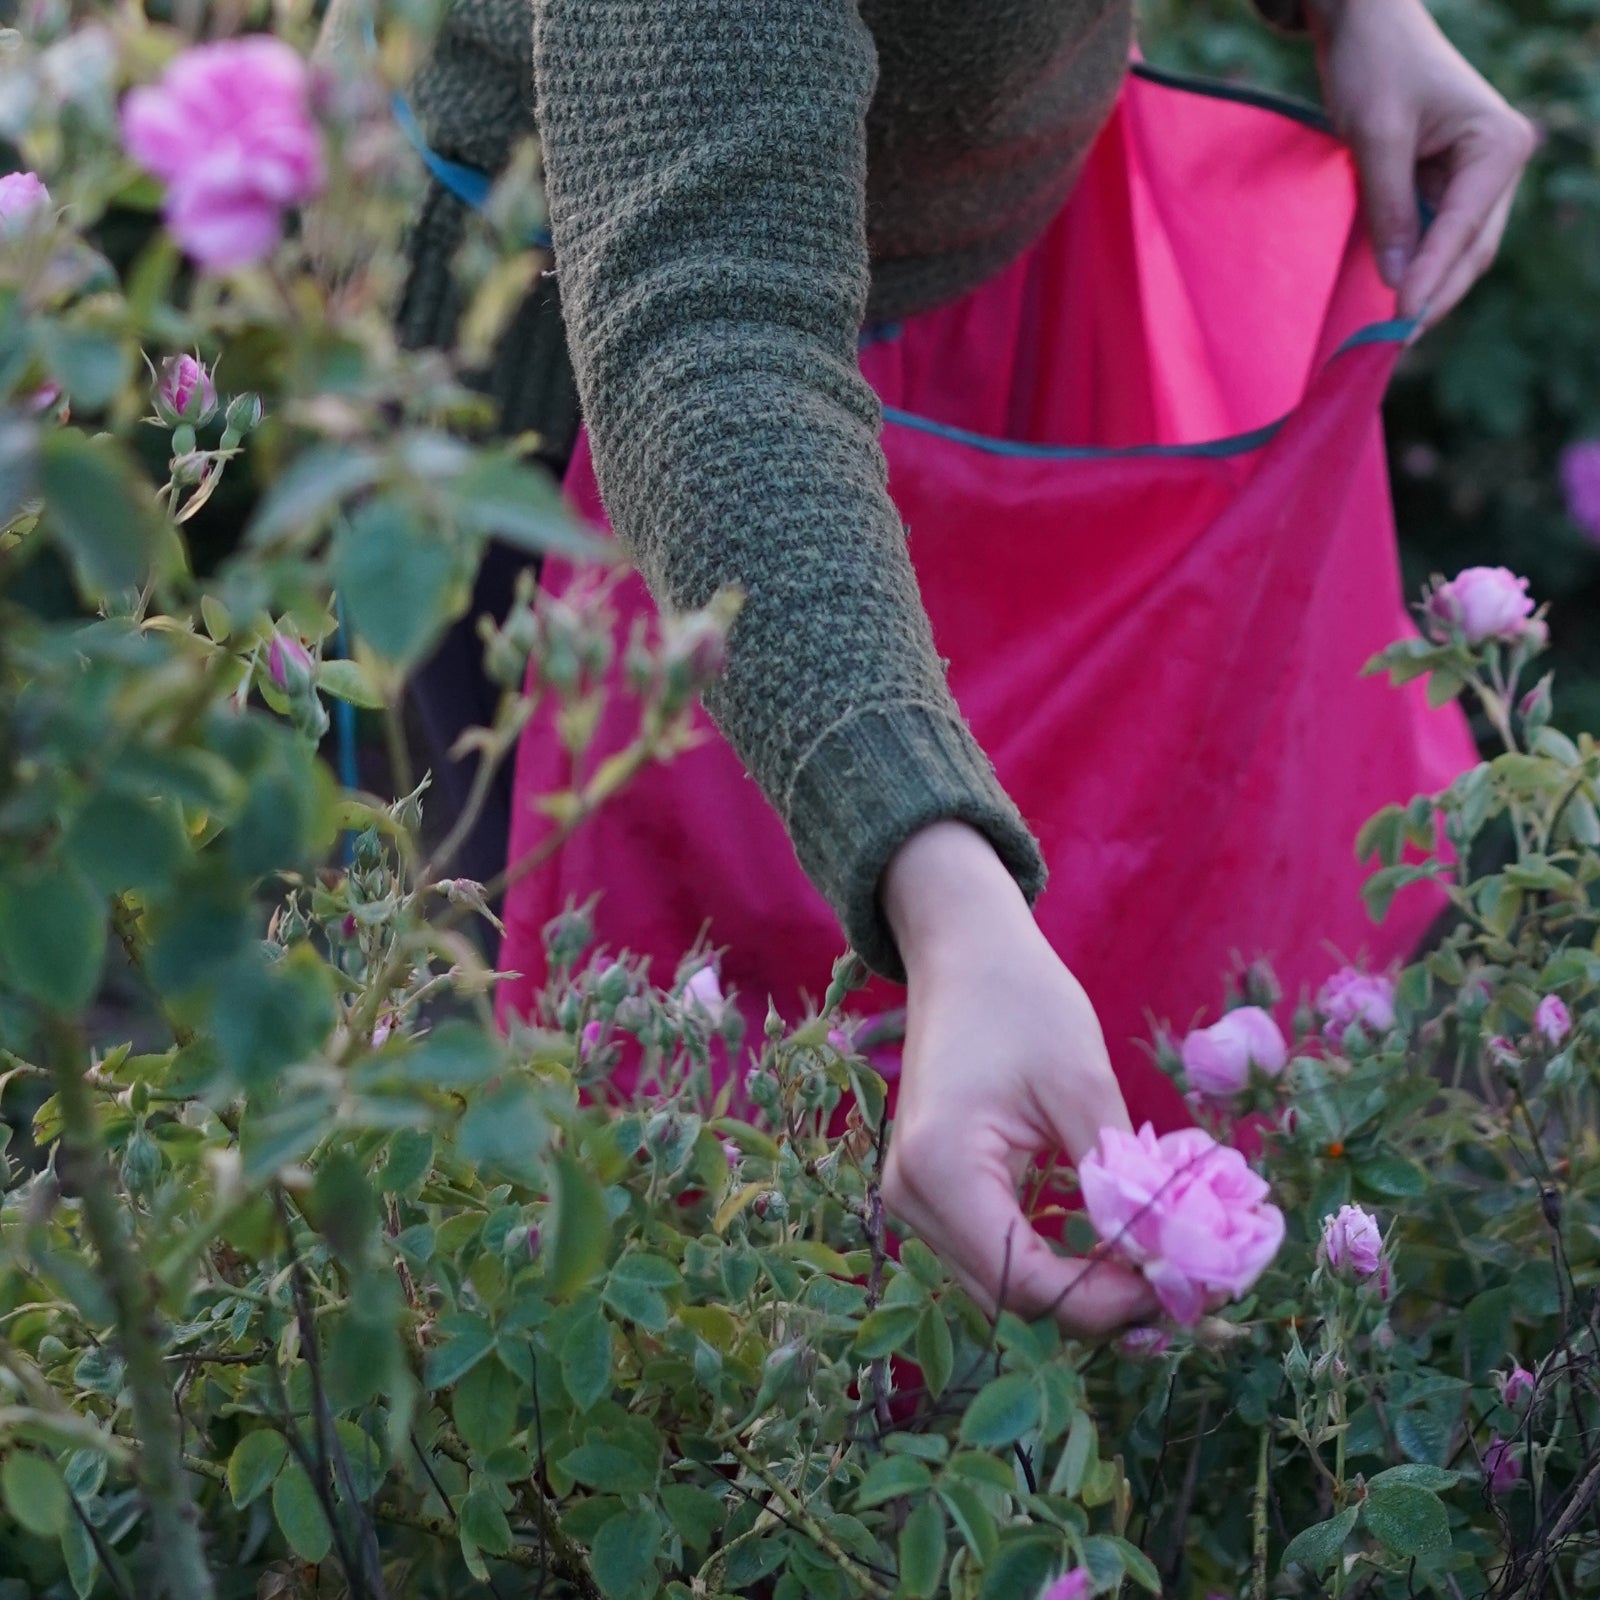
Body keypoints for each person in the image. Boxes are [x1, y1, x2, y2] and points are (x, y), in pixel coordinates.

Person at [352, 0, 1534, 1336]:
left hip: (984, 277)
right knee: (642, 1204)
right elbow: (713, 324)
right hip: (661, 441)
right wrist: (944, 893)